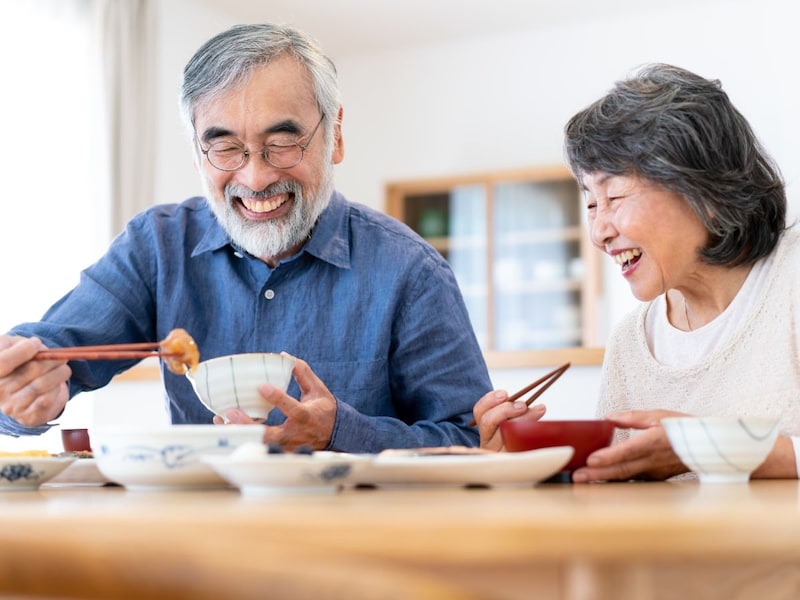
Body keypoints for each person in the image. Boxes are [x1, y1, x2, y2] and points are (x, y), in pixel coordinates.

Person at [0, 23, 491, 452]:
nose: (255, 179)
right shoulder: (158, 248)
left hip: (356, 546)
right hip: (196, 544)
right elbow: (53, 352)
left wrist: (342, 431)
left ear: (335, 135)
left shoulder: (409, 270)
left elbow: (471, 440)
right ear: (196, 153)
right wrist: (20, 392)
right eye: (226, 149)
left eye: (281, 144)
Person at [475, 63, 800, 480]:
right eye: (592, 203)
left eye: (615, 195)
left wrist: (708, 449)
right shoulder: (632, 341)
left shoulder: (789, 282)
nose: (599, 232)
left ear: (706, 191)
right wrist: (519, 469)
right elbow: (614, 492)